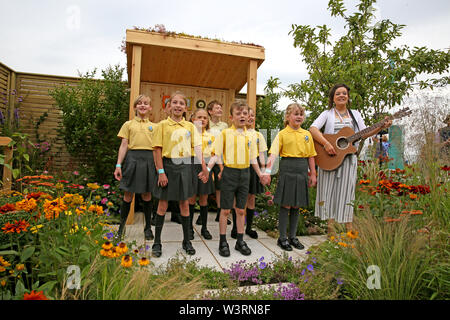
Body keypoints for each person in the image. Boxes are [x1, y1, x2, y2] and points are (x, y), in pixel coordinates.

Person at [309, 83, 392, 236]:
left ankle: (349, 230)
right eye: (338, 93)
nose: (342, 95)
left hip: (348, 159)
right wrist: (326, 144)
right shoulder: (327, 114)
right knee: (328, 192)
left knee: (347, 193)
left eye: (344, 93)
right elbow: (313, 129)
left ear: (348, 97)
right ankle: (331, 230)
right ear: (333, 98)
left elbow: (364, 133)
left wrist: (381, 126)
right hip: (329, 158)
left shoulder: (355, 114)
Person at [201, 101, 270, 257]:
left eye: (245, 113)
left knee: (240, 210)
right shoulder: (225, 134)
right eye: (239, 113)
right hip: (229, 174)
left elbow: (253, 158)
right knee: (225, 210)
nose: (243, 116)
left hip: (244, 174)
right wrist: (208, 169)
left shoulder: (250, 135)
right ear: (231, 117)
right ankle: (223, 241)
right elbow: (216, 154)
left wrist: (261, 175)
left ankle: (240, 240)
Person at [151, 91, 208, 257]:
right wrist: (161, 172)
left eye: (181, 103)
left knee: (184, 204)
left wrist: (204, 168)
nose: (177, 106)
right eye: (174, 102)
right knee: (163, 205)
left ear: (185, 108)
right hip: (167, 167)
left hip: (185, 168)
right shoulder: (162, 125)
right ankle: (157, 242)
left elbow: (197, 149)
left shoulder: (190, 127)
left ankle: (186, 241)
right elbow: (157, 150)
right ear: (169, 107)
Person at [265, 103, 317, 251]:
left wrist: (313, 173)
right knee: (286, 204)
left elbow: (311, 156)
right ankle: (282, 238)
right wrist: (267, 171)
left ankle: (292, 237)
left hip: (301, 170)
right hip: (287, 168)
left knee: (297, 204)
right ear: (288, 117)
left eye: (301, 114)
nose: (299, 116)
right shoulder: (281, 134)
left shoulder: (307, 135)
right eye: (296, 113)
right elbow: (273, 153)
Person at [114, 94, 157, 241]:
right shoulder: (128, 124)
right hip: (132, 159)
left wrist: (159, 168)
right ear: (135, 107)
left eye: (146, 103)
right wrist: (118, 165)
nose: (143, 105)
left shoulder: (155, 127)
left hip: (149, 160)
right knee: (128, 194)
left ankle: (148, 228)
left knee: (147, 194)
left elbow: (158, 149)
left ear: (150, 108)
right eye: (140, 103)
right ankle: (121, 229)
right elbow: (124, 145)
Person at [230, 107, 267, 239]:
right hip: (240, 164)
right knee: (238, 197)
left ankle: (249, 227)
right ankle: (235, 227)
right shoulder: (237, 133)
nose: (250, 118)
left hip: (254, 166)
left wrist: (263, 171)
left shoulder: (258, 135)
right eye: (248, 115)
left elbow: (262, 153)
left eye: (252, 115)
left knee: (251, 197)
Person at [188, 108, 215, 240]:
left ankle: (204, 228)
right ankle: (189, 228)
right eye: (199, 117)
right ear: (193, 119)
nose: (202, 119)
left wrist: (207, 170)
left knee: (204, 199)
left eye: (205, 117)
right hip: (192, 166)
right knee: (191, 198)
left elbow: (215, 155)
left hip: (206, 168)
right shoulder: (189, 134)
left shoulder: (211, 136)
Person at [205, 100, 230, 225]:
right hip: (207, 158)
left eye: (221, 108)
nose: (220, 110)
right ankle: (202, 212)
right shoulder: (205, 123)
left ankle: (220, 212)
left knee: (220, 186)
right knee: (204, 185)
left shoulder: (224, 126)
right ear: (210, 111)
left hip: (220, 158)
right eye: (217, 108)